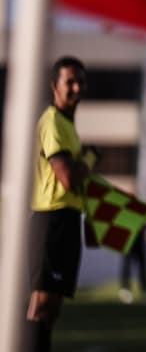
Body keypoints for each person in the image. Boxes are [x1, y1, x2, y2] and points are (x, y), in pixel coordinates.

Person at [27, 56, 95, 352]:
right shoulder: (53, 121)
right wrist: (90, 160)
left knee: (51, 308)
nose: (77, 87)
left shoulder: (66, 123)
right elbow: (67, 178)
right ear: (54, 86)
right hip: (50, 219)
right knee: (41, 304)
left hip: (66, 220)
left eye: (80, 81)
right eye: (70, 81)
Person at [118, 225, 146, 304]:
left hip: (138, 233)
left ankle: (145, 291)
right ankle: (125, 289)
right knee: (127, 263)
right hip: (127, 233)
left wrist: (145, 226)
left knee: (142, 263)